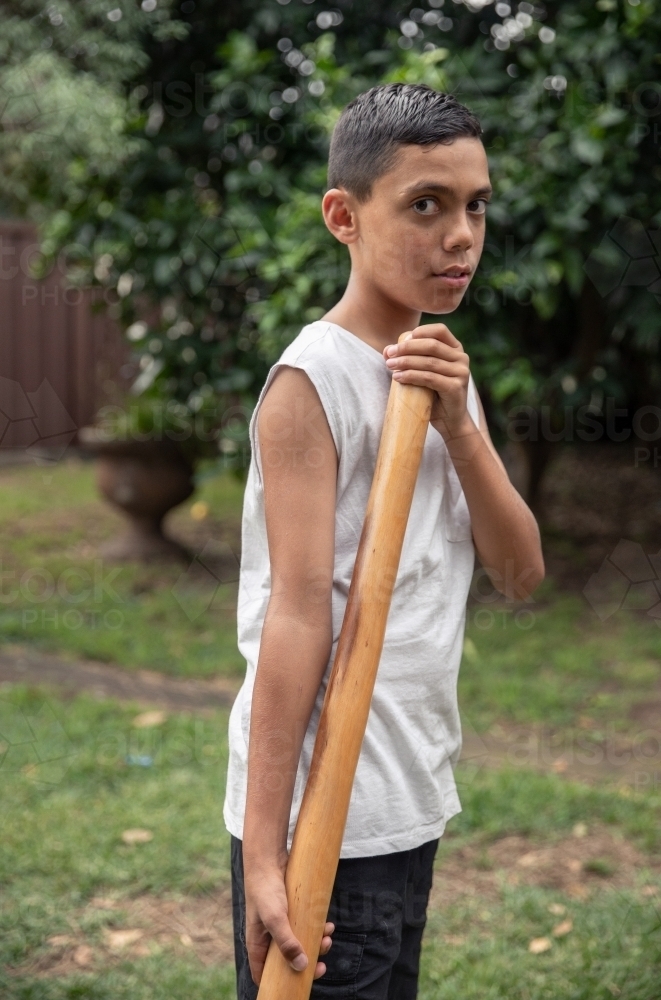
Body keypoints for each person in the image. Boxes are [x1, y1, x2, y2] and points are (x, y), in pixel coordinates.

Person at [224, 82, 545, 999]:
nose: (460, 236)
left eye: (475, 205)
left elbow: (521, 573)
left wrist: (460, 426)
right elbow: (292, 616)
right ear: (343, 216)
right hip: (323, 821)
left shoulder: (440, 369)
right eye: (425, 205)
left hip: (410, 796)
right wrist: (265, 850)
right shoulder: (312, 380)